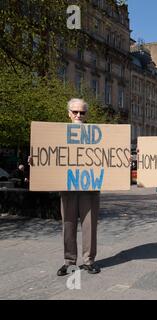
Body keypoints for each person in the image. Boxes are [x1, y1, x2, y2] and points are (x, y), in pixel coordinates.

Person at [30, 98, 101, 276]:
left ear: (87, 114)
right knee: (68, 225)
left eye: (82, 112)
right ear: (68, 113)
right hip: (68, 187)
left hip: (89, 188)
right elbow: (49, 154)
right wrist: (35, 159)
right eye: (75, 112)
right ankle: (69, 261)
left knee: (89, 226)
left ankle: (88, 261)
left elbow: (109, 156)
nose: (78, 115)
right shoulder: (58, 134)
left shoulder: (99, 135)